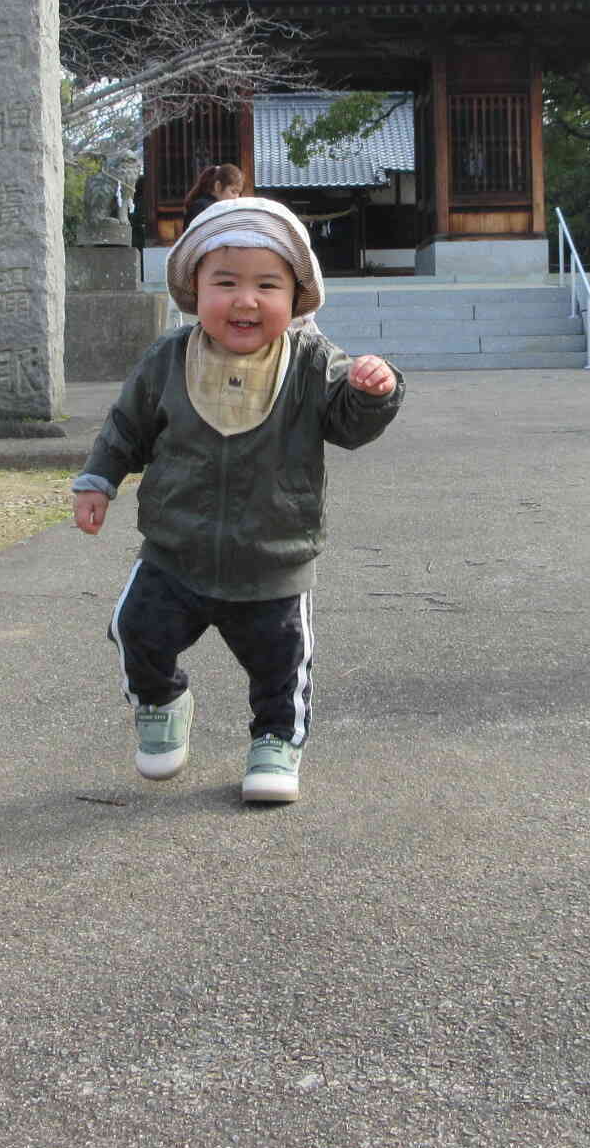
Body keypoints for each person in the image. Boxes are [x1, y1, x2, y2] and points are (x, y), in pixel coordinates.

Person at [71, 196, 402, 804]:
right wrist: (98, 481)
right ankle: (162, 700)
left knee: (280, 667)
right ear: (193, 288)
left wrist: (371, 393)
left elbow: (348, 427)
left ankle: (275, 741)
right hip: (175, 551)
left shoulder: (310, 362)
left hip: (272, 557)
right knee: (134, 628)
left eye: (266, 285)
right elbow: (125, 428)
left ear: (297, 296)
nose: (245, 300)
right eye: (225, 282)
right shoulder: (168, 359)